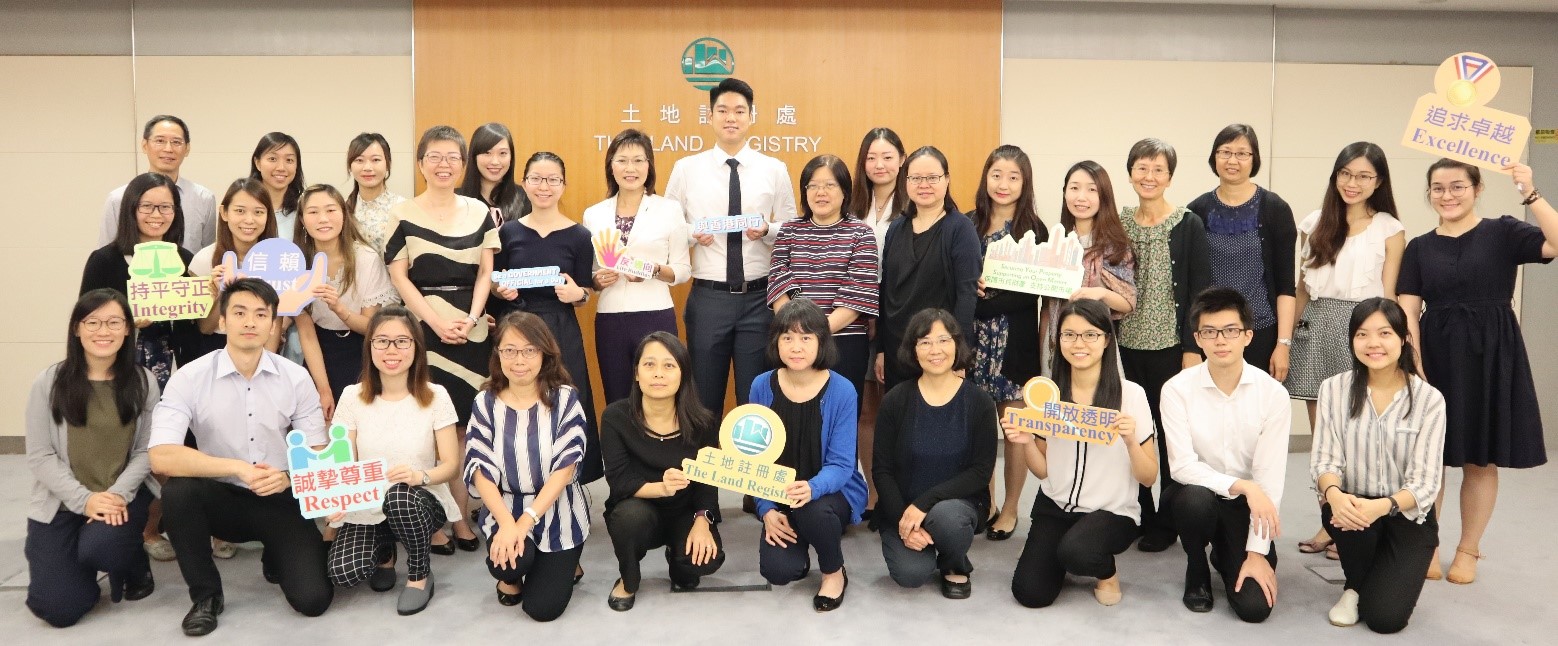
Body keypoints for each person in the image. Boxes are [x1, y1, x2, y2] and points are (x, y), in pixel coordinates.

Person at [1398, 160, 1556, 583]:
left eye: (1457, 187)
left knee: (1479, 459)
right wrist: (1415, 365)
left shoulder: (1503, 231)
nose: (1447, 196)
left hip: (1491, 352)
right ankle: (1425, 544)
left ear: (1477, 187)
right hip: (1435, 352)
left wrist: (1531, 193)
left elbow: (1555, 243)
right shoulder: (1419, 246)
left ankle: (1469, 549)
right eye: (1438, 188)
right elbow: (1408, 309)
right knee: (1428, 459)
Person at [148, 278, 333, 636]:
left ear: (273, 324)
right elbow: (161, 456)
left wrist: (290, 478)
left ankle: (275, 554)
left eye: (261, 314)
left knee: (314, 601)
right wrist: (237, 468)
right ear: (222, 322)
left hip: (278, 496)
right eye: (239, 313)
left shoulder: (296, 378)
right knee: (179, 492)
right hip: (220, 498)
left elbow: (318, 454)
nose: (250, 322)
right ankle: (206, 597)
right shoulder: (190, 378)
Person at [1288, 142, 1403, 557]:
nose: (1353, 183)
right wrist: (1289, 339)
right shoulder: (1314, 222)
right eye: (1345, 174)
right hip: (1317, 327)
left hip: (1364, 330)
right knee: (1325, 439)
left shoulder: (1389, 228)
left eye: (1364, 176)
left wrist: (1387, 345)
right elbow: (1301, 288)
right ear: (1335, 176)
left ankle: (1357, 523)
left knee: (1362, 435)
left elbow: (1389, 295)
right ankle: (1330, 523)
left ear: (1378, 182)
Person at [385, 125, 497, 553]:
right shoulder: (404, 212)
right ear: (420, 163)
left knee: (469, 428)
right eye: (435, 156)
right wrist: (432, 322)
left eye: (453, 157)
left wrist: (470, 319)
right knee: (427, 427)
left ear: (463, 165)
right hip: (424, 330)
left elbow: (486, 270)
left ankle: (464, 517)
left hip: (472, 331)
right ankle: (433, 522)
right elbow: (399, 275)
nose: (444, 165)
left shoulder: (478, 211)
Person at [1007, 299, 1156, 608]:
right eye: (1069, 335)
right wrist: (1025, 442)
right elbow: (1043, 470)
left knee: (1077, 553)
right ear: (1058, 339)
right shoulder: (1049, 393)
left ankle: (1105, 571)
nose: (1079, 344)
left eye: (1090, 335)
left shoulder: (1131, 395)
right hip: (1056, 506)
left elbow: (1148, 476)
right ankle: (1060, 550)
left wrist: (1130, 441)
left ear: (1106, 340)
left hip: (1111, 513)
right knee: (1030, 593)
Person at [25, 290, 159, 627]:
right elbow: (40, 455)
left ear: (128, 329)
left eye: (114, 322)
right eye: (93, 322)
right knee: (59, 609)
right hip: (62, 502)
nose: (104, 332)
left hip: (120, 499)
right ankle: (76, 568)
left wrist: (114, 496)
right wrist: (85, 501)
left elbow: (146, 452)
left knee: (102, 548)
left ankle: (129, 560)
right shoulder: (49, 382)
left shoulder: (143, 381)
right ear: (76, 329)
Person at [1310, 298, 1445, 633]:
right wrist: (1335, 495)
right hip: (1352, 510)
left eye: (1384, 333)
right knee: (1344, 515)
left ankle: (1370, 581)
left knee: (1385, 619)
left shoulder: (1429, 399)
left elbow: (1427, 482)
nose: (1373, 344)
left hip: (1406, 515)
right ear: (1352, 340)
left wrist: (1382, 507)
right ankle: (1354, 587)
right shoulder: (1334, 389)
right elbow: (1325, 460)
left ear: (1403, 339)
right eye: (1362, 334)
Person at [664, 77, 798, 412]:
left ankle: (750, 464)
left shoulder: (774, 169)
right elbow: (667, 226)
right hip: (709, 298)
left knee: (755, 400)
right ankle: (703, 464)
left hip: (759, 298)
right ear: (710, 116)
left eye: (739, 111)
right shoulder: (686, 169)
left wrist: (767, 229)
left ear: (751, 117)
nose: (731, 118)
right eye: (722, 110)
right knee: (703, 398)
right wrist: (694, 232)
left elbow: (792, 229)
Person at [1161, 287, 1289, 622]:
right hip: (1197, 494)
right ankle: (1196, 565)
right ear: (1197, 339)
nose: (1221, 340)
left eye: (1230, 330)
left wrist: (1256, 553)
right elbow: (1182, 467)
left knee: (1254, 608)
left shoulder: (1273, 395)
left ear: (1248, 335)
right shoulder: (1176, 390)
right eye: (1210, 332)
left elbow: (1269, 482)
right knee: (1193, 500)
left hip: (1246, 508)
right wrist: (1243, 485)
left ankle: (1226, 552)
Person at [324, 307, 462, 616]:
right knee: (343, 572)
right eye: (382, 341)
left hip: (419, 499)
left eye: (402, 341)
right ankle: (385, 552)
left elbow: (451, 465)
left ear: (416, 347)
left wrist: (420, 476)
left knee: (399, 496)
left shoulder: (435, 395)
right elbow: (343, 462)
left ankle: (419, 574)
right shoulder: (351, 396)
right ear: (369, 346)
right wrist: (336, 498)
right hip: (368, 501)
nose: (391, 350)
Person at [1116, 138, 1211, 553]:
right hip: (1125, 342)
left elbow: (1199, 290)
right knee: (1134, 429)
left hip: (1172, 345)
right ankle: (1141, 511)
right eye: (1141, 168)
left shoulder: (1188, 223)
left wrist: (1194, 348)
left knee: (1170, 431)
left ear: (1170, 176)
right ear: (1130, 172)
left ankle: (1169, 518)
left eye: (1157, 169)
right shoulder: (1118, 220)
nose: (1149, 176)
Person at [467, 312, 591, 622]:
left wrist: (526, 522)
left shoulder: (565, 399)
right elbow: (479, 469)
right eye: (509, 350)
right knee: (507, 564)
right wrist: (508, 524)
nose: (518, 359)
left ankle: (567, 559)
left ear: (544, 353)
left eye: (529, 350)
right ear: (498, 354)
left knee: (542, 609)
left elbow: (566, 467)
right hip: (505, 506)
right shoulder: (485, 402)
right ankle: (519, 573)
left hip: (556, 507)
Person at [490, 151, 601, 486]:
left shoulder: (580, 236)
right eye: (536, 178)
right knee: (516, 401)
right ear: (524, 183)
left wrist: (577, 295)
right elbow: (494, 280)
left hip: (559, 329)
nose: (544, 186)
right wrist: (501, 291)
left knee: (563, 402)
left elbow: (584, 290)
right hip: (516, 326)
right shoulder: (507, 232)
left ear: (564, 186)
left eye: (553, 179)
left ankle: (570, 480)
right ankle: (517, 479)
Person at [750, 299, 869, 612]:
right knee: (778, 571)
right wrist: (765, 509)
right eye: (787, 337)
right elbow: (754, 459)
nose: (796, 347)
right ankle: (804, 538)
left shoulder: (842, 389)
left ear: (821, 342)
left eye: (806, 338)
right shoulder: (761, 386)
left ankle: (833, 572)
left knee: (812, 511)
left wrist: (813, 488)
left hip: (831, 492)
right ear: (776, 342)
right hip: (780, 493)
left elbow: (843, 465)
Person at [873, 309, 996, 599]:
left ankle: (954, 561)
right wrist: (904, 521)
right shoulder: (896, 400)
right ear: (913, 350)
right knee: (910, 574)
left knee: (948, 519)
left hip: (957, 506)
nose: (935, 350)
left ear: (957, 344)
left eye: (943, 340)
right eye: (925, 342)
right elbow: (882, 469)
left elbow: (980, 472)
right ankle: (923, 544)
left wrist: (924, 504)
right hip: (903, 508)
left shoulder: (979, 402)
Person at [600, 332, 725, 611]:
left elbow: (707, 482)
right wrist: (662, 488)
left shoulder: (703, 422)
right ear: (636, 373)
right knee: (629, 518)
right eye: (649, 365)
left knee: (701, 563)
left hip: (685, 510)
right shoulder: (615, 417)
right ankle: (628, 579)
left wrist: (704, 520)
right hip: (640, 507)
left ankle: (678, 558)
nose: (658, 374)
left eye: (669, 366)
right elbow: (620, 481)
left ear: (683, 373)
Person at [968, 145, 1047, 542]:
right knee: (977, 431)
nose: (1003, 184)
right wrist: (972, 291)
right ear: (986, 178)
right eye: (996, 174)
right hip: (971, 345)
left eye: (1013, 177)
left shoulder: (1036, 229)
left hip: (1013, 345)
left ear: (1024, 182)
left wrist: (986, 295)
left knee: (1016, 429)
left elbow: (1029, 293)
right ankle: (987, 502)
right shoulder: (965, 224)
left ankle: (1012, 508)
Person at [584, 129, 692, 403]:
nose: (630, 168)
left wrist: (654, 270)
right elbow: (592, 271)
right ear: (611, 166)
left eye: (638, 160)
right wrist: (598, 281)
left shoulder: (669, 209)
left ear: (649, 166)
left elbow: (682, 270)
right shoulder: (594, 214)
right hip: (610, 317)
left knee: (661, 397)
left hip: (655, 315)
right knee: (617, 397)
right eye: (622, 160)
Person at [1187, 125, 1297, 377]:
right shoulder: (1197, 211)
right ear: (1214, 158)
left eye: (1242, 153)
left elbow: (1285, 286)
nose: (1232, 160)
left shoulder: (1275, 209)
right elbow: (1191, 283)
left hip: (1261, 331)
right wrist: (1192, 344)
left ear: (1254, 159)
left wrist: (1283, 344)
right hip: (1211, 333)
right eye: (1225, 152)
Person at [768, 154, 879, 401]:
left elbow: (856, 296)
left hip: (844, 343)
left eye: (830, 185)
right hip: (792, 346)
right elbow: (779, 286)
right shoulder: (789, 231)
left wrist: (812, 336)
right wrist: (798, 338)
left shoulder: (861, 234)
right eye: (813, 185)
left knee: (839, 417)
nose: (821, 192)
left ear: (844, 192)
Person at [877, 146, 982, 392]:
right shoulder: (896, 228)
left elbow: (967, 296)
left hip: (939, 353)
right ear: (906, 181)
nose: (924, 184)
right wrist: (881, 349)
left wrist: (959, 356)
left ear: (946, 179)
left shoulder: (960, 228)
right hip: (896, 349)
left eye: (933, 178)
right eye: (916, 178)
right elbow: (886, 291)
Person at [81, 172, 197, 387]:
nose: (156, 214)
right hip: (116, 371)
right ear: (131, 209)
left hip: (178, 371)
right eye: (146, 206)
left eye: (165, 207)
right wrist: (127, 320)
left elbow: (195, 325)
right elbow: (86, 320)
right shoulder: (104, 261)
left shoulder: (186, 260)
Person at [294, 184, 399, 419]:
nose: (323, 219)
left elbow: (372, 328)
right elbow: (307, 332)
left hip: (362, 350)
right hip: (318, 351)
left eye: (331, 210)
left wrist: (339, 309)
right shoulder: (297, 262)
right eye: (313, 212)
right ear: (302, 219)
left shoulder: (365, 258)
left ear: (344, 214)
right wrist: (323, 389)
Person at [848, 126, 906, 525]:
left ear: (901, 160)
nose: (879, 164)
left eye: (887, 156)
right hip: (854, 317)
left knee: (900, 410)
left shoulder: (916, 202)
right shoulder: (851, 204)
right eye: (872, 157)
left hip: (899, 319)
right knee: (866, 410)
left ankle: (899, 493)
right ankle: (869, 492)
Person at [1042, 160, 1137, 370]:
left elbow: (1128, 302)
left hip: (1096, 347)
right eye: (1074, 188)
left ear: (1103, 196)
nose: (1081, 197)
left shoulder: (1115, 245)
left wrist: (1099, 294)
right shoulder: (1056, 243)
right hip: (1058, 342)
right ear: (1065, 192)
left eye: (1091, 189)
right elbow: (1047, 307)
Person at [98, 115, 217, 252]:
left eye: (176, 142)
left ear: (187, 149)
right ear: (144, 145)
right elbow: (106, 253)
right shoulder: (118, 198)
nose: (168, 149)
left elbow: (208, 254)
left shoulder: (204, 198)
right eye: (160, 141)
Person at [190, 178, 279, 359]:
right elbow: (205, 328)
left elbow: (278, 319)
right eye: (239, 211)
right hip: (216, 350)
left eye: (259, 212)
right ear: (224, 213)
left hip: (263, 348)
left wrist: (265, 362)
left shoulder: (278, 258)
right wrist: (222, 291)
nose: (249, 220)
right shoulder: (203, 260)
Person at [346, 132, 408, 254]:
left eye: (375, 160)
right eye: (359, 160)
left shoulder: (403, 207)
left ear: (388, 164)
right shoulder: (343, 209)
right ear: (350, 166)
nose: (367, 167)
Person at [459, 122, 531, 225]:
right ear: (474, 156)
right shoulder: (456, 200)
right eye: (487, 153)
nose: (495, 162)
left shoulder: (525, 198)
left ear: (511, 157)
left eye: (502, 153)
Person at [249, 132, 305, 240]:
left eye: (289, 160)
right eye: (272, 159)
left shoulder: (304, 208)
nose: (281, 167)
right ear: (258, 163)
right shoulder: (243, 205)